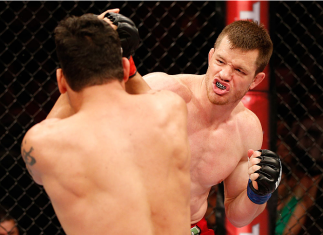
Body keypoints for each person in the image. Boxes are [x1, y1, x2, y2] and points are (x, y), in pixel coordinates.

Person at [20, 12, 191, 235]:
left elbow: (40, 167)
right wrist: (120, 50)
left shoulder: (43, 143)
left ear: (62, 81)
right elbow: (142, 89)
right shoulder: (171, 108)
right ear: (125, 67)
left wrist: (80, 60)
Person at [126, 19, 282, 234]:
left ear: (255, 80)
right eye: (220, 61)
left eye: (239, 70)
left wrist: (259, 193)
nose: (225, 74)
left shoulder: (247, 130)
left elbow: (237, 217)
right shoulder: (163, 90)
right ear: (210, 56)